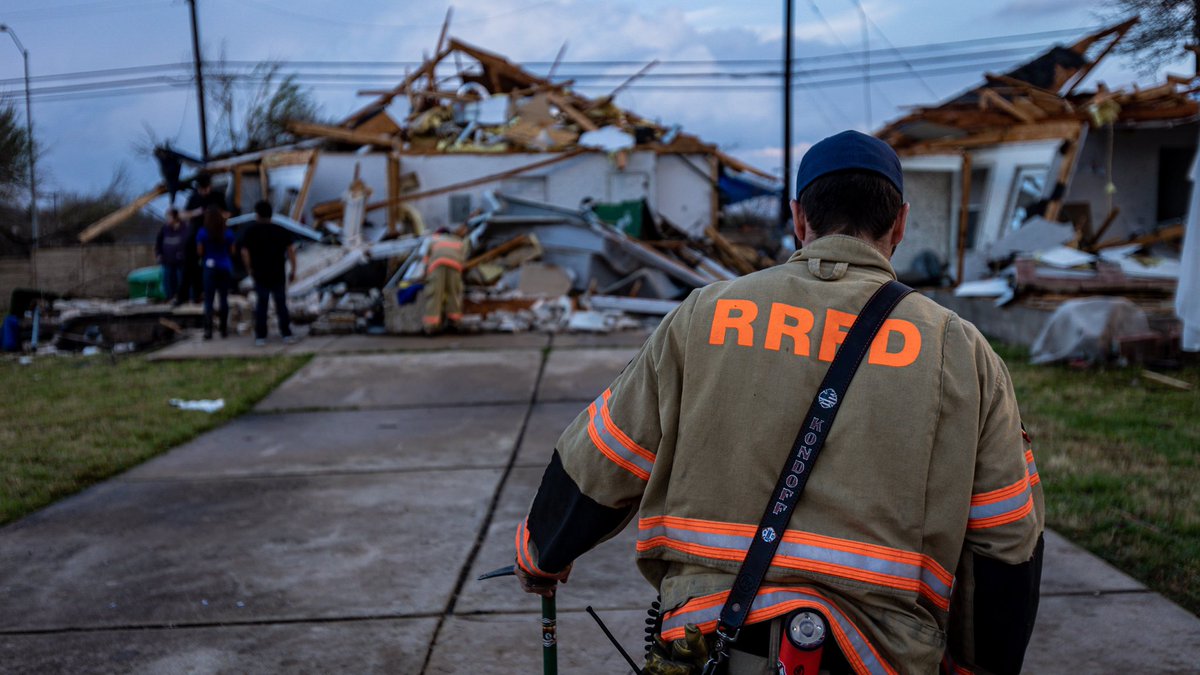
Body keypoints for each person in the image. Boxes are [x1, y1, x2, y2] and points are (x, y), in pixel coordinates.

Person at [512, 131, 1045, 675]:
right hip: (877, 655)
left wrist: (542, 551)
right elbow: (1007, 541)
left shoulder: (707, 316)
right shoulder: (960, 352)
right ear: (900, 224)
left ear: (798, 216)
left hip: (708, 640)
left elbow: (606, 453)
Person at [239, 200, 297, 346]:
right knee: (281, 303)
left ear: (257, 214)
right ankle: (286, 333)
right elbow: (291, 251)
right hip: (278, 272)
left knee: (262, 304)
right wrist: (293, 269)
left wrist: (249, 268)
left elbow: (244, 251)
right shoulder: (280, 230)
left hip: (260, 273)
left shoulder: (251, 231)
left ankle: (261, 336)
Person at [178, 174, 228, 305]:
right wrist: (197, 212)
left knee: (213, 267)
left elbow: (228, 213)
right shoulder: (194, 198)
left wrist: (215, 214)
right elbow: (183, 214)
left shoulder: (217, 196)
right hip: (196, 233)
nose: (203, 192)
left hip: (214, 235)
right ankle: (186, 295)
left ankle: (208, 294)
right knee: (189, 265)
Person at [196, 206, 234, 340]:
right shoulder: (227, 232)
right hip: (224, 266)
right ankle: (223, 329)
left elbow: (200, 251)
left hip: (209, 266)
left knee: (209, 300)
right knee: (223, 299)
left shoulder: (203, 232)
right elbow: (232, 250)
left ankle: (208, 330)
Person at [420, 227, 467, 334]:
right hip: (455, 266)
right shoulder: (459, 242)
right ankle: (454, 322)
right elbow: (463, 259)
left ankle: (431, 326)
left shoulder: (433, 240)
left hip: (437, 266)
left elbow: (426, 260)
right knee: (454, 294)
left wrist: (425, 275)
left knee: (435, 294)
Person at [155, 208, 187, 304]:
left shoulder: (184, 228)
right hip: (167, 260)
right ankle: (169, 297)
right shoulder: (164, 229)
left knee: (180, 280)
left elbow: (186, 242)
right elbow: (159, 243)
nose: (167, 219)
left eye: (169, 217)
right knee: (167, 280)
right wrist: (159, 254)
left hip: (180, 261)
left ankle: (181, 297)